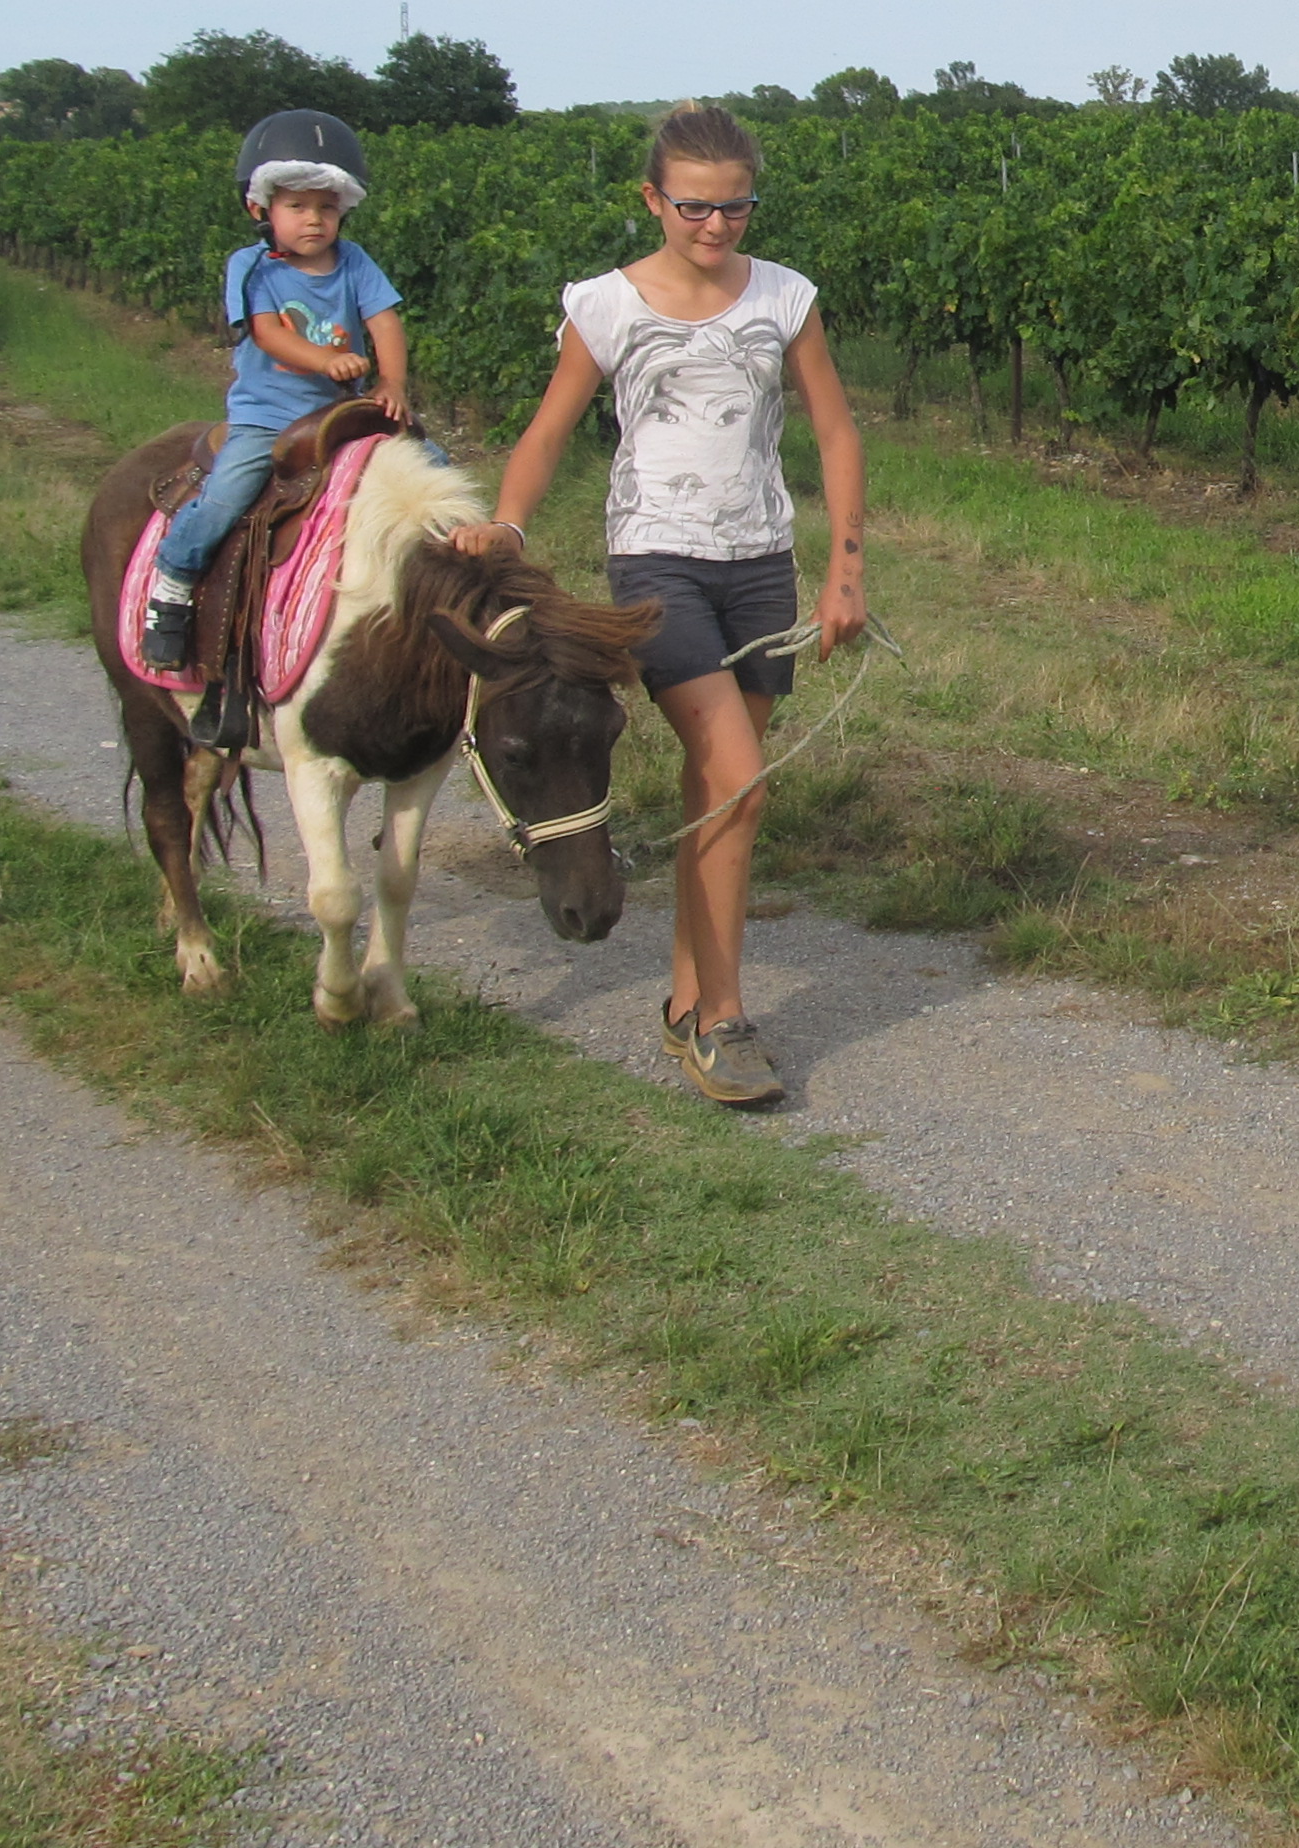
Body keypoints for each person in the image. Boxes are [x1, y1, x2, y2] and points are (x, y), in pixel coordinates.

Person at [449, 102, 867, 1107]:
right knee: (737, 779)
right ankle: (724, 1019)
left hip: (759, 564)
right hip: (655, 563)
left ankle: (686, 1001)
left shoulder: (784, 298)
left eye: (735, 209)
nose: (716, 228)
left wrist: (845, 568)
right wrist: (507, 523)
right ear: (653, 199)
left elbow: (839, 433)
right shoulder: (607, 305)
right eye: (693, 208)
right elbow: (551, 429)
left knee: (713, 797)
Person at [141, 109, 410, 676]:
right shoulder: (251, 267)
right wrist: (328, 359)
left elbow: (384, 321)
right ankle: (172, 583)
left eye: (327, 208)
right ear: (260, 210)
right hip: (267, 418)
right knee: (226, 498)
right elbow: (267, 333)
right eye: (298, 207)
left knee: (425, 471)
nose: (314, 220)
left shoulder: (355, 262)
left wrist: (391, 384)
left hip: (339, 417)